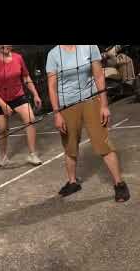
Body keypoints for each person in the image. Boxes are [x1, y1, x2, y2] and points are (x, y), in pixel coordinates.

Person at [46, 45, 130, 202]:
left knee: (102, 142)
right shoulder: (53, 54)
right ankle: (72, 182)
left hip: (91, 99)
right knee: (70, 145)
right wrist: (57, 114)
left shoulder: (89, 47)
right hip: (67, 105)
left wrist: (104, 105)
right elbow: (52, 88)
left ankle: (119, 183)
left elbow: (98, 76)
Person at [0, 45, 43, 167]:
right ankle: (3, 157)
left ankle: (32, 154)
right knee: (2, 129)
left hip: (18, 96)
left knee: (30, 120)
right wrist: (3, 105)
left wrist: (35, 94)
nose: (6, 46)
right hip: (0, 99)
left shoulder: (18, 58)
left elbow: (26, 77)